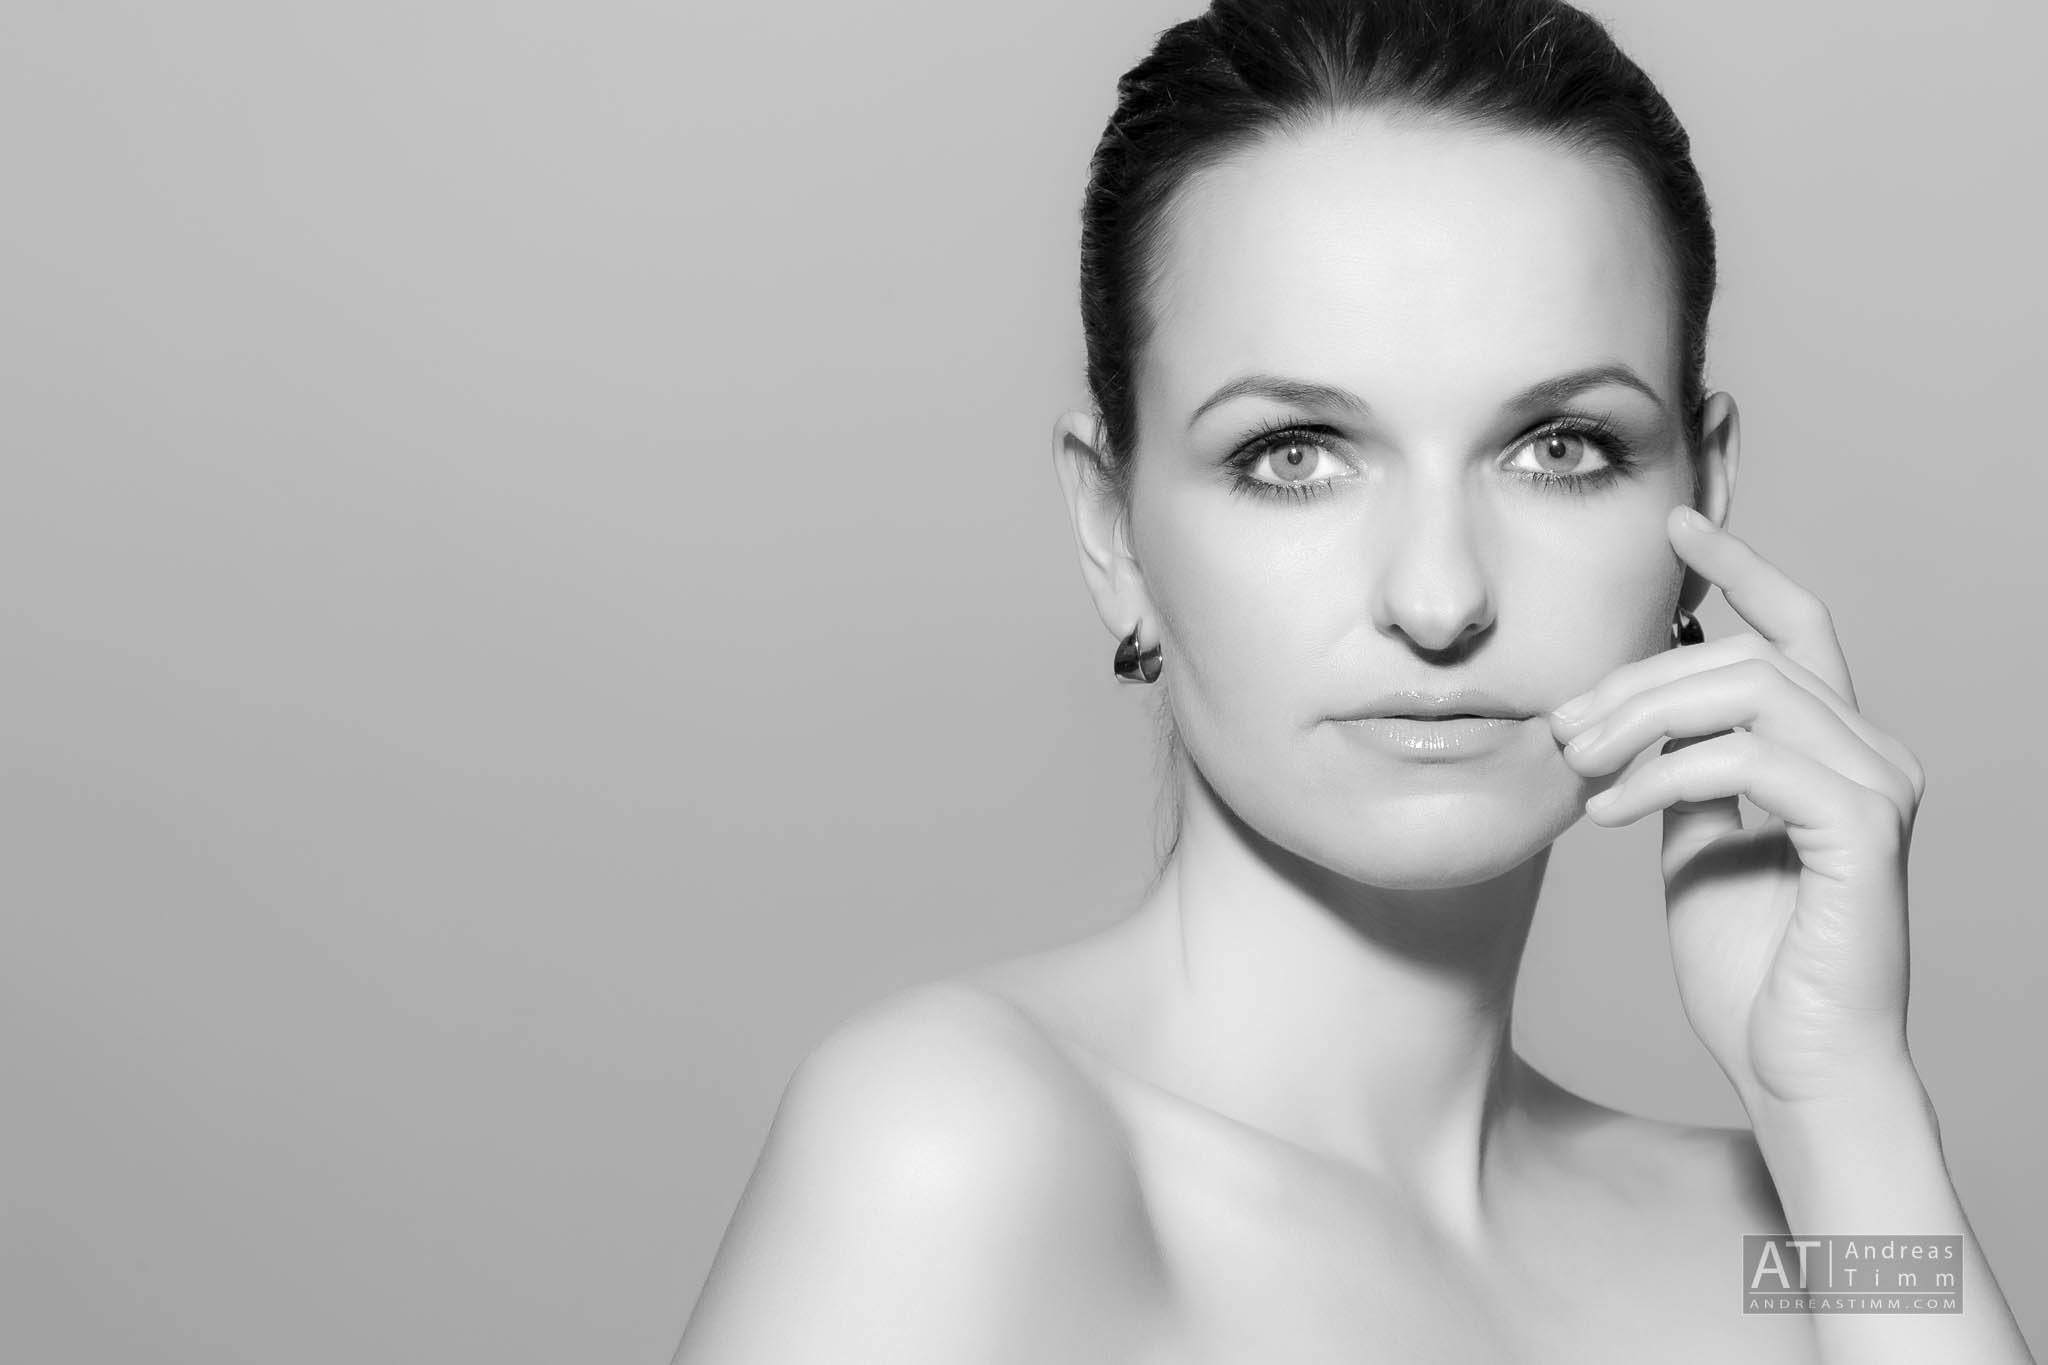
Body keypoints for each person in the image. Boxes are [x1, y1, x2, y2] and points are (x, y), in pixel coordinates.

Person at [674, 0, 2036, 1361]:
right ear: (1112, 529)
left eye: (1560, 448)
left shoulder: (1766, 1233)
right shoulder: (953, 1158)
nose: (1438, 599)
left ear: (1703, 500)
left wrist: (1836, 1092)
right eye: (1295, 454)